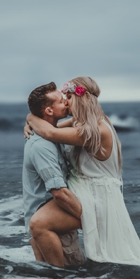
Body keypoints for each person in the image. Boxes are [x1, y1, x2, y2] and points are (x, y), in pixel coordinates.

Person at [25, 76, 140, 272]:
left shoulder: (96, 130)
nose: (65, 102)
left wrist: (30, 118)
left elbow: (50, 133)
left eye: (67, 97)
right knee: (42, 236)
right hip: (84, 188)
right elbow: (50, 128)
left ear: (78, 98)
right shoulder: (84, 122)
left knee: (39, 224)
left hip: (96, 194)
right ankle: (58, 278)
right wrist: (34, 119)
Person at [22, 82, 86, 267]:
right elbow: (58, 192)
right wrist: (92, 221)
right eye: (61, 100)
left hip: (52, 217)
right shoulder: (42, 145)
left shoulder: (52, 134)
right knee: (64, 278)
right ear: (49, 111)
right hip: (47, 225)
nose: (66, 102)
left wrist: (30, 119)